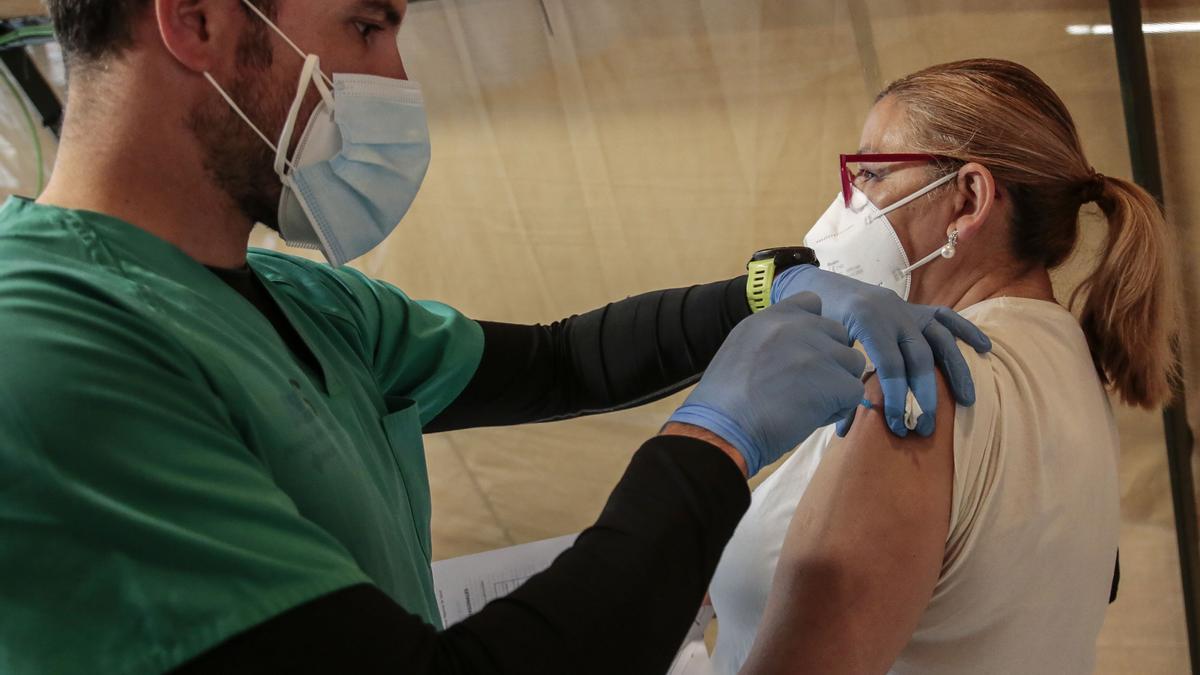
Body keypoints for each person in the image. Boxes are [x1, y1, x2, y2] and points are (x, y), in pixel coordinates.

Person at [0, 2, 992, 674]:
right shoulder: (47, 344)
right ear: (199, 19)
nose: (393, 76)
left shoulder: (306, 304)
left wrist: (777, 285)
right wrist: (715, 442)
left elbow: (563, 358)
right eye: (366, 22)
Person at [707, 58, 1180, 675]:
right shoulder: (1067, 352)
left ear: (969, 200)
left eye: (872, 174)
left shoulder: (919, 383)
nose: (846, 208)